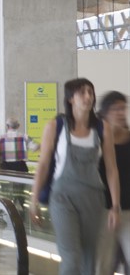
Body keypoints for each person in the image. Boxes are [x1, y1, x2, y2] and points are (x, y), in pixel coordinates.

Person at [30, 79, 120, 275]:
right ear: (70, 99)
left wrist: (115, 205)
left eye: (90, 92)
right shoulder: (56, 125)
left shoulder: (102, 127)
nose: (88, 97)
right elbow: (43, 164)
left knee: (90, 257)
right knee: (71, 258)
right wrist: (33, 199)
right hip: (62, 197)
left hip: (93, 198)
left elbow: (111, 169)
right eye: (82, 93)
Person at [96, 91, 130, 275]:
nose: (120, 112)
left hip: (128, 210)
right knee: (103, 264)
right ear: (105, 113)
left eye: (123, 108)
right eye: (115, 109)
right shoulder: (97, 142)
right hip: (103, 210)